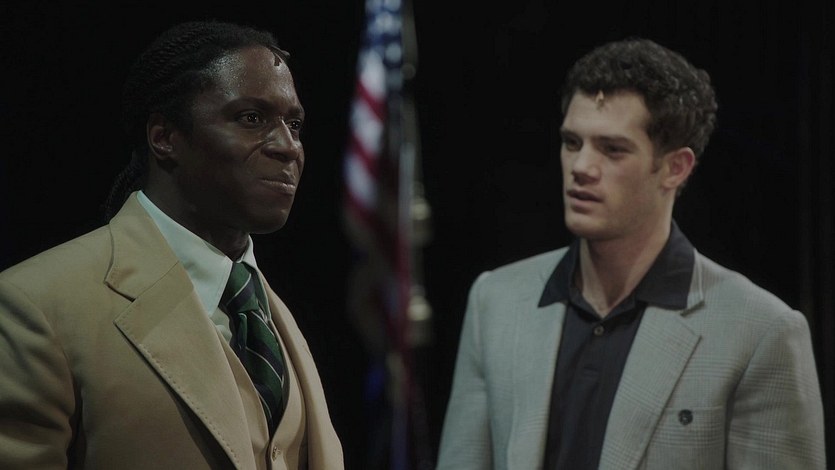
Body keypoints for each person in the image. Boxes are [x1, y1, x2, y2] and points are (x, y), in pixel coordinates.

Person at [436, 37, 826, 469]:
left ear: (675, 168)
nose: (581, 167)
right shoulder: (496, 301)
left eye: (612, 149)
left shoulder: (760, 332)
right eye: (572, 142)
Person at [0, 20, 344, 469]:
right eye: (251, 118)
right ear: (164, 137)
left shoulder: (270, 312)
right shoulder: (36, 304)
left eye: (294, 124)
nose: (288, 146)